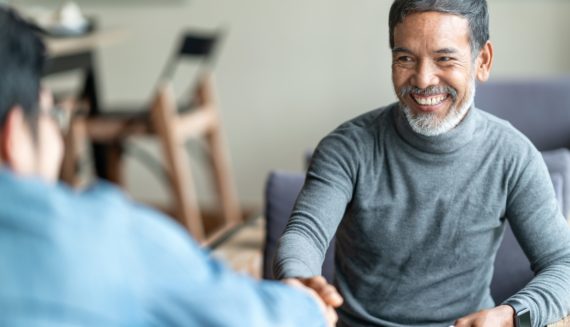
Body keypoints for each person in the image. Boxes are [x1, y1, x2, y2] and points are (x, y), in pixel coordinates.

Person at [0, 6, 340, 326]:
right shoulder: (105, 239)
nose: (59, 133)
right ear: (14, 136)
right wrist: (307, 306)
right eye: (53, 114)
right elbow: (251, 316)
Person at [274, 1, 570, 326]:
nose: (424, 79)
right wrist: (299, 282)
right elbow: (305, 234)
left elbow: (563, 263)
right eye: (405, 58)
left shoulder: (514, 155)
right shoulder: (346, 147)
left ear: (482, 61)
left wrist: (513, 316)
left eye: (444, 59)